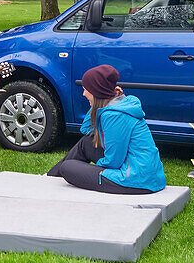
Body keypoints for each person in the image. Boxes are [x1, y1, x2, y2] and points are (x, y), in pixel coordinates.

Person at [47, 64, 166, 194]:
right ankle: (48, 178)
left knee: (68, 167)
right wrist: (96, 104)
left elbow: (113, 162)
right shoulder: (116, 106)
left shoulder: (114, 116)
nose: (84, 93)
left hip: (136, 180)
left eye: (86, 89)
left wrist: (92, 171)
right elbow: (87, 130)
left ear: (96, 92)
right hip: (143, 175)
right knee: (87, 143)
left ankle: (51, 178)